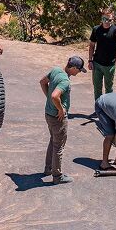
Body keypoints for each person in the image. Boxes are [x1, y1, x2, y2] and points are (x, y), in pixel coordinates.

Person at [39, 56, 86, 184]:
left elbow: (42, 82)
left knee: (53, 141)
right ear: (74, 68)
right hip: (57, 118)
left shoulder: (55, 71)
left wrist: (49, 99)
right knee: (58, 146)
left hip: (48, 114)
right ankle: (57, 176)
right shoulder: (65, 81)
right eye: (79, 70)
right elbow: (55, 95)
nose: (79, 72)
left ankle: (48, 168)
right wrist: (60, 109)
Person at [88, 8, 116, 101]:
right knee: (97, 88)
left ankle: (107, 108)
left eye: (109, 20)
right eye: (104, 19)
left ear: (112, 20)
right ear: (101, 19)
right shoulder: (96, 29)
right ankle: (98, 107)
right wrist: (90, 60)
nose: (106, 22)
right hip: (97, 63)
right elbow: (91, 46)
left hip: (109, 66)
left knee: (109, 89)